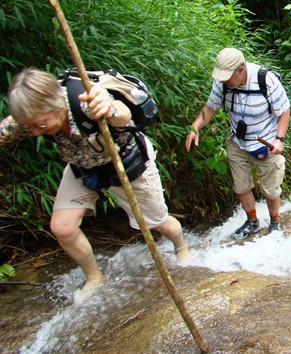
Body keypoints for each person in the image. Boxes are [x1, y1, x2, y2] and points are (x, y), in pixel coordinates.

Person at [0, 68, 189, 302]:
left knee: (158, 224)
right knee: (62, 227)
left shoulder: (85, 101)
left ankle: (182, 247)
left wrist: (108, 108)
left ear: (55, 103)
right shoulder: (31, 115)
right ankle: (95, 278)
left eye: (40, 125)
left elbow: (123, 114)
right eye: (32, 127)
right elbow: (6, 131)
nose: (37, 132)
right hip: (83, 168)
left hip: (126, 164)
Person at [185, 48, 290, 240]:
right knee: (241, 187)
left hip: (266, 143)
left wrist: (279, 139)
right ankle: (253, 222)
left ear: (241, 70)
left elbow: (284, 111)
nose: (224, 81)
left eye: (227, 77)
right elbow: (210, 108)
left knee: (271, 189)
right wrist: (195, 126)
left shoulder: (266, 80)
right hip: (237, 142)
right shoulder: (222, 83)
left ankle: (275, 223)